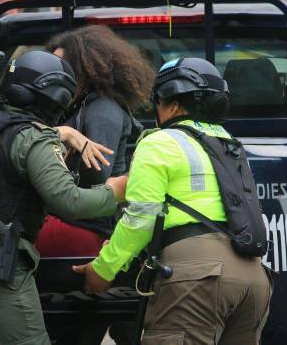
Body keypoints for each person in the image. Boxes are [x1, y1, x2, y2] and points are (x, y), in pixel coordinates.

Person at [0, 50, 128, 345]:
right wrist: (117, 190)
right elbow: (70, 201)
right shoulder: (33, 138)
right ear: (57, 95)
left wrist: (63, 133)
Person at [73, 58, 272, 345]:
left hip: (198, 278)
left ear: (174, 105)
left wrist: (103, 269)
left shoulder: (159, 142)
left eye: (157, 101)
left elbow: (141, 218)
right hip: (253, 278)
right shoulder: (228, 142)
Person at [38, 25, 154, 258]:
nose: (54, 75)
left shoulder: (103, 109)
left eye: (63, 67)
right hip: (70, 219)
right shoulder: (75, 107)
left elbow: (97, 175)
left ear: (85, 70)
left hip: (84, 227)